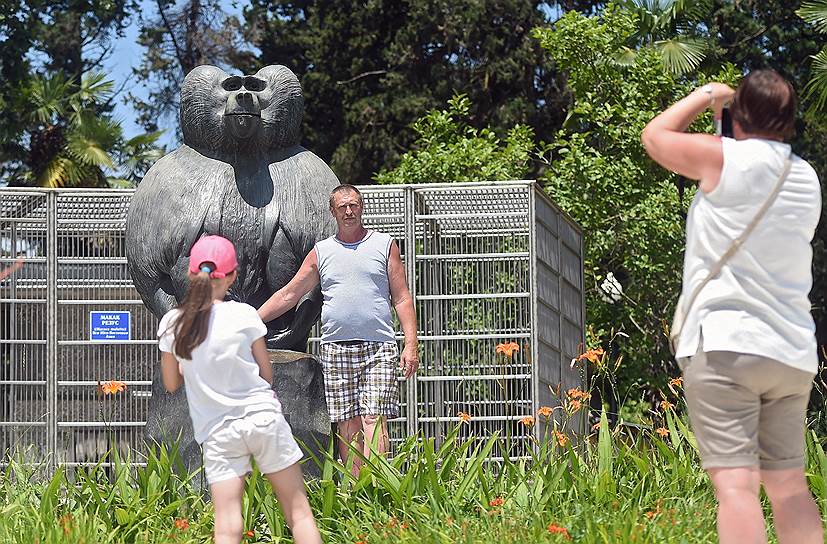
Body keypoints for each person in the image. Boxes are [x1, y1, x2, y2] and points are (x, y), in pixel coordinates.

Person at [642, 70, 823, 544]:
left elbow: (655, 137)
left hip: (726, 345)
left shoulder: (722, 160)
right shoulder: (806, 178)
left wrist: (708, 96)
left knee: (736, 486)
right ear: (788, 121)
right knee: (788, 487)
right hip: (790, 352)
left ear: (738, 114)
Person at [157, 235, 321, 544]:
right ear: (232, 276)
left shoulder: (173, 323)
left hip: (219, 432)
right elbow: (266, 373)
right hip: (263, 420)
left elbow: (171, 383)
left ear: (192, 273)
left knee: (227, 523)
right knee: (298, 512)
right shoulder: (245, 315)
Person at [258, 184, 419, 474]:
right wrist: (250, 319)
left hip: (379, 347)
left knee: (374, 417)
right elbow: (289, 294)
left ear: (362, 207)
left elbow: (402, 297)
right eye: (342, 206)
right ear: (333, 212)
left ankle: (378, 487)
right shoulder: (322, 251)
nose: (349, 211)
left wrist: (411, 344)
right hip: (335, 348)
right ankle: (356, 493)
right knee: (348, 422)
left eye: (354, 205)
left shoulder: (385, 245)